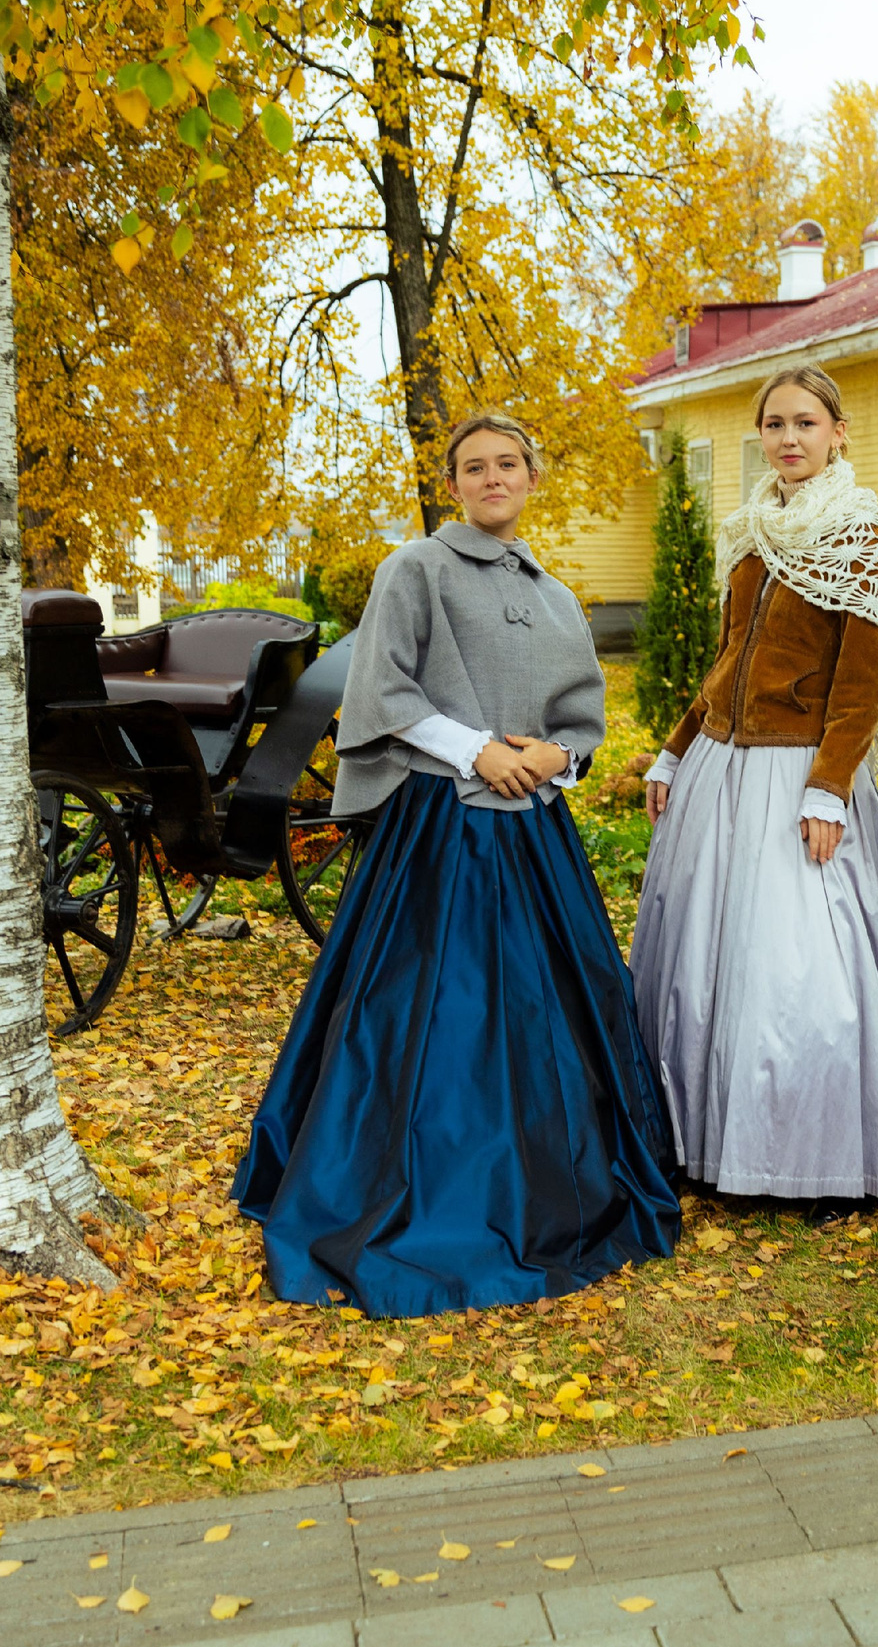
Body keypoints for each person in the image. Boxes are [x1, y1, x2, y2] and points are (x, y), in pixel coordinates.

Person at [230, 412, 679, 1317]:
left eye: (508, 463)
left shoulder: (555, 595)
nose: (492, 477)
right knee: (432, 1014)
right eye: (473, 466)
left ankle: (558, 1185)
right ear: (454, 483)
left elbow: (579, 725)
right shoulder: (416, 569)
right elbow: (383, 687)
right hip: (441, 831)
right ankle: (419, 1187)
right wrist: (477, 750)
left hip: (534, 832)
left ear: (532, 476)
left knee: (548, 1014)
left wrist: (558, 758)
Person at [635, 364, 878, 1215]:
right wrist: (675, 750)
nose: (788, 438)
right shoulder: (751, 534)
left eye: (805, 422)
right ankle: (699, 1139)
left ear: (838, 432)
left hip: (798, 779)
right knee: (702, 964)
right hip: (722, 772)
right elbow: (725, 664)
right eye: (774, 424)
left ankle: (807, 1157)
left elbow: (859, 689)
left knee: (799, 975)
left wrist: (828, 787)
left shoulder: (863, 543)